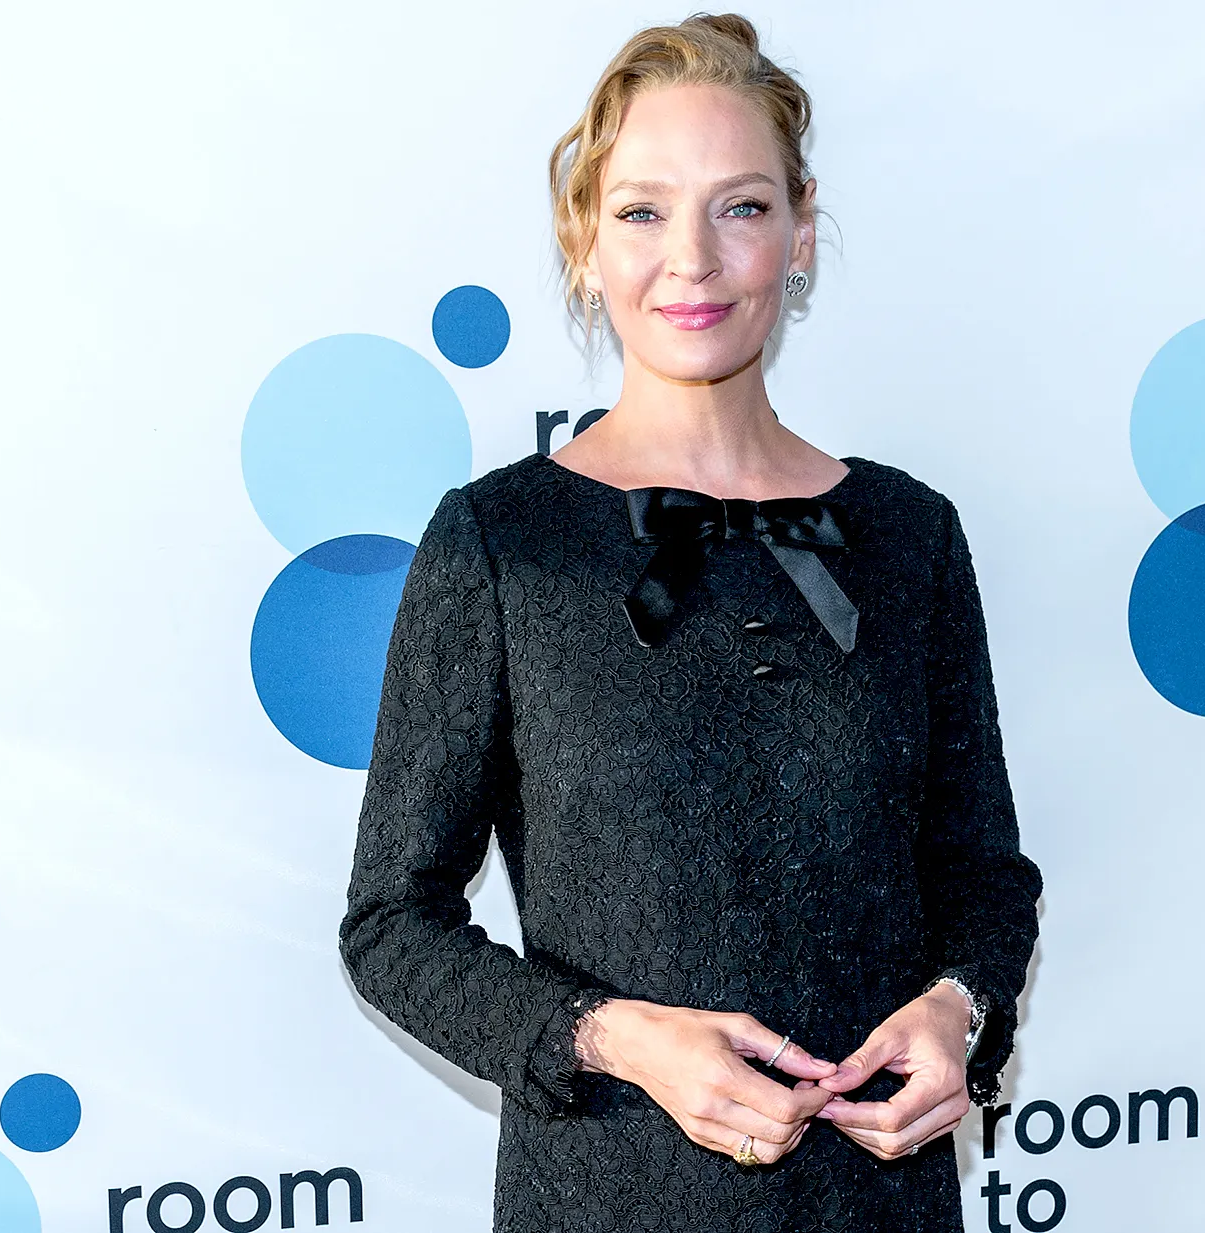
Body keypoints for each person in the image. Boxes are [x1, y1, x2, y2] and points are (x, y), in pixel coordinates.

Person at [339, 12, 1043, 1231]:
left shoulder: (909, 535)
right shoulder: (503, 544)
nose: (694, 260)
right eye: (643, 211)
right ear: (584, 244)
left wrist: (960, 1009)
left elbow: (983, 875)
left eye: (742, 207)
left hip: (879, 1208)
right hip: (609, 1200)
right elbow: (392, 926)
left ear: (801, 234)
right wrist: (611, 1037)